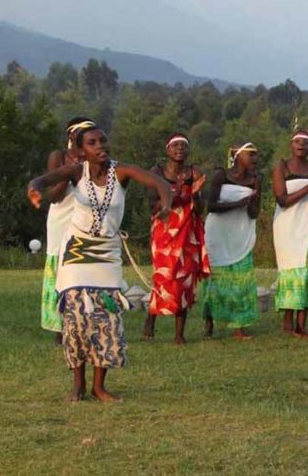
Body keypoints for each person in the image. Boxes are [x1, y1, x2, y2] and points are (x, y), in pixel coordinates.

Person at [26, 123, 173, 402]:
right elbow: (43, 180)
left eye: (103, 141)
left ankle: (99, 386)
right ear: (82, 150)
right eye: (92, 143)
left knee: (107, 318)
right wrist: (34, 189)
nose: (100, 147)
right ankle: (78, 385)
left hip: (107, 254)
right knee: (76, 319)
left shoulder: (122, 171)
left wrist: (166, 205)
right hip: (77, 253)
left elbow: (160, 184)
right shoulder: (75, 172)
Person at [142, 133, 209, 345]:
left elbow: (199, 210)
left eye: (184, 145)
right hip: (164, 230)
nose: (180, 148)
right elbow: (153, 206)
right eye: (175, 145)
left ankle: (179, 333)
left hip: (187, 232)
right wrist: (179, 193)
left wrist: (195, 195)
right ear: (167, 150)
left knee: (184, 279)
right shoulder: (156, 173)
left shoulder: (194, 172)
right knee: (164, 276)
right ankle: (150, 320)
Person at [272, 129, 308, 338]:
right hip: (288, 225)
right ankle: (287, 322)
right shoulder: (282, 166)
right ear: (291, 144)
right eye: (297, 141)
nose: (301, 145)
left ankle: (301, 324)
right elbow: (282, 199)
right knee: (290, 270)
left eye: (305, 142)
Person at [200, 142, 261, 340]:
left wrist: (252, 203)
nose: (254, 159)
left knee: (242, 280)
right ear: (237, 156)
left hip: (241, 233)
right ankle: (209, 323)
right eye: (250, 155)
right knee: (216, 280)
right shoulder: (221, 175)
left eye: (255, 156)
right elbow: (211, 206)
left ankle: (239, 327)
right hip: (218, 233)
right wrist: (238, 203)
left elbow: (254, 213)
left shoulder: (255, 180)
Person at [40, 117, 93, 343]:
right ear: (72, 136)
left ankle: (83, 324)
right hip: (61, 218)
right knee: (59, 268)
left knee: (83, 268)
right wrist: (70, 172)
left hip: (85, 218)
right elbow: (53, 196)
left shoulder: (95, 158)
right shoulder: (58, 157)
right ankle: (58, 328)